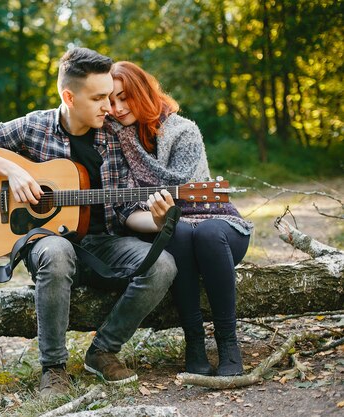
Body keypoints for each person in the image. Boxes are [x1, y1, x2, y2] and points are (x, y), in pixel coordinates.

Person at [0, 48, 177, 398]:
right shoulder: (34, 126)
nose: (109, 107)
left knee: (162, 264)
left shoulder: (115, 136)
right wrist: (13, 171)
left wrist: (159, 221)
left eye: (109, 97)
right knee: (56, 250)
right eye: (99, 97)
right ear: (69, 96)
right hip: (46, 240)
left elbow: (125, 211)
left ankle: (103, 351)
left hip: (102, 244)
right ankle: (53, 369)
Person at [107, 61, 253, 376]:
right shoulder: (111, 138)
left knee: (206, 234)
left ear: (142, 93)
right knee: (179, 234)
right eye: (111, 100)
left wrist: (130, 143)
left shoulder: (183, 130)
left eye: (124, 97)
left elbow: (176, 183)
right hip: (168, 232)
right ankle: (195, 343)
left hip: (218, 224)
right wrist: (158, 220)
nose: (117, 108)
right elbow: (126, 209)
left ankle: (228, 343)